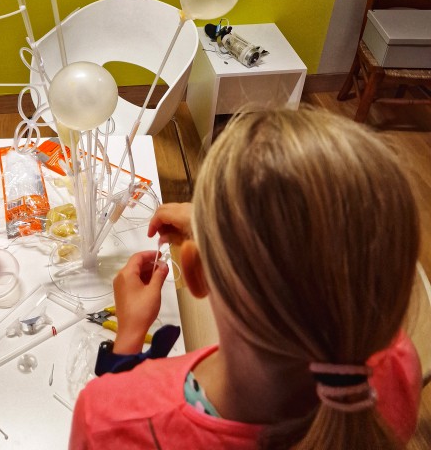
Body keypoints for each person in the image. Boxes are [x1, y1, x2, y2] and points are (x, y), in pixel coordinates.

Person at [69, 107, 422, 449]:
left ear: (195, 272)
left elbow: (118, 418)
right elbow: (323, 254)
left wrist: (128, 337)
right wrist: (222, 231)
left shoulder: (109, 420)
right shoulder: (393, 364)